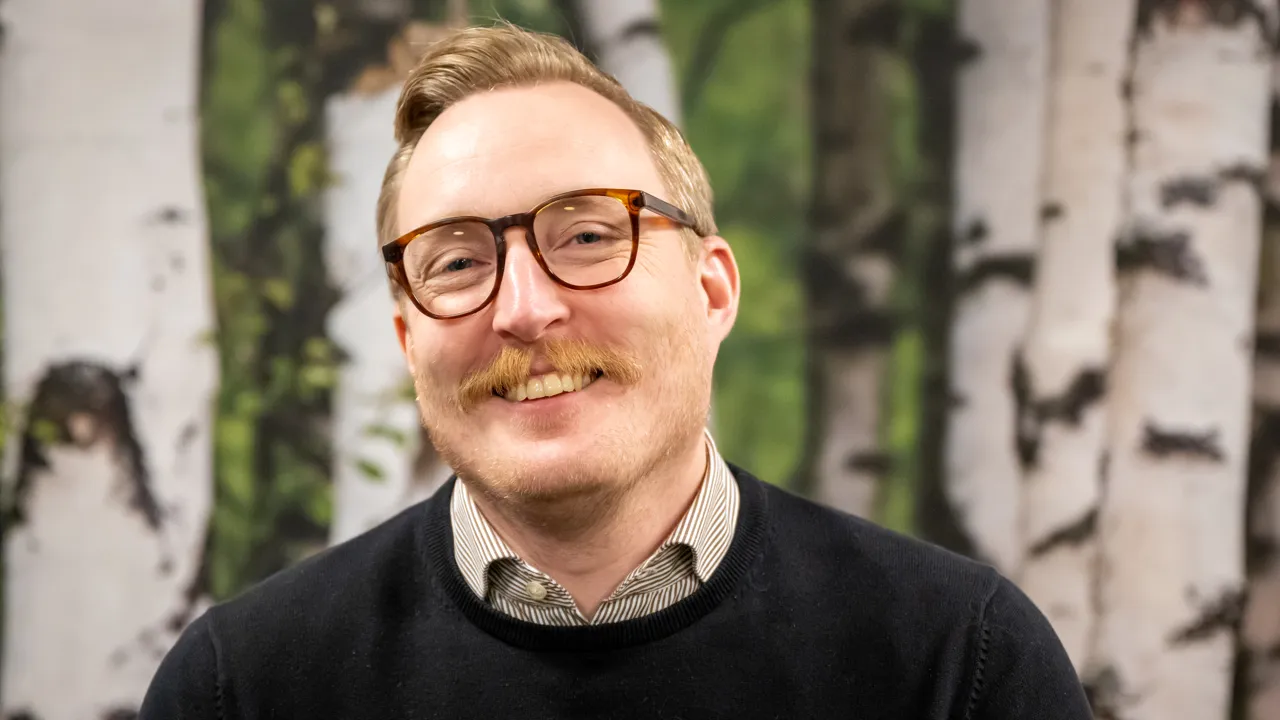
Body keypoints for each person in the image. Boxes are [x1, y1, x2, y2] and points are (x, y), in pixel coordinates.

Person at [140, 22, 1092, 719]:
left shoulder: (962, 665)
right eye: (458, 262)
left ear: (713, 293)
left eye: (589, 235)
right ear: (406, 342)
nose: (523, 309)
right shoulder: (241, 688)